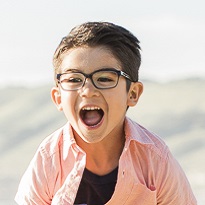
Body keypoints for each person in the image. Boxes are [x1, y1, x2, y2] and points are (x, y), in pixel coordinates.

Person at [15, 21, 197, 205]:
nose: (87, 90)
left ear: (132, 94)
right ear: (58, 98)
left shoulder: (156, 160)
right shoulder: (48, 160)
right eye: (74, 79)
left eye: (103, 78)